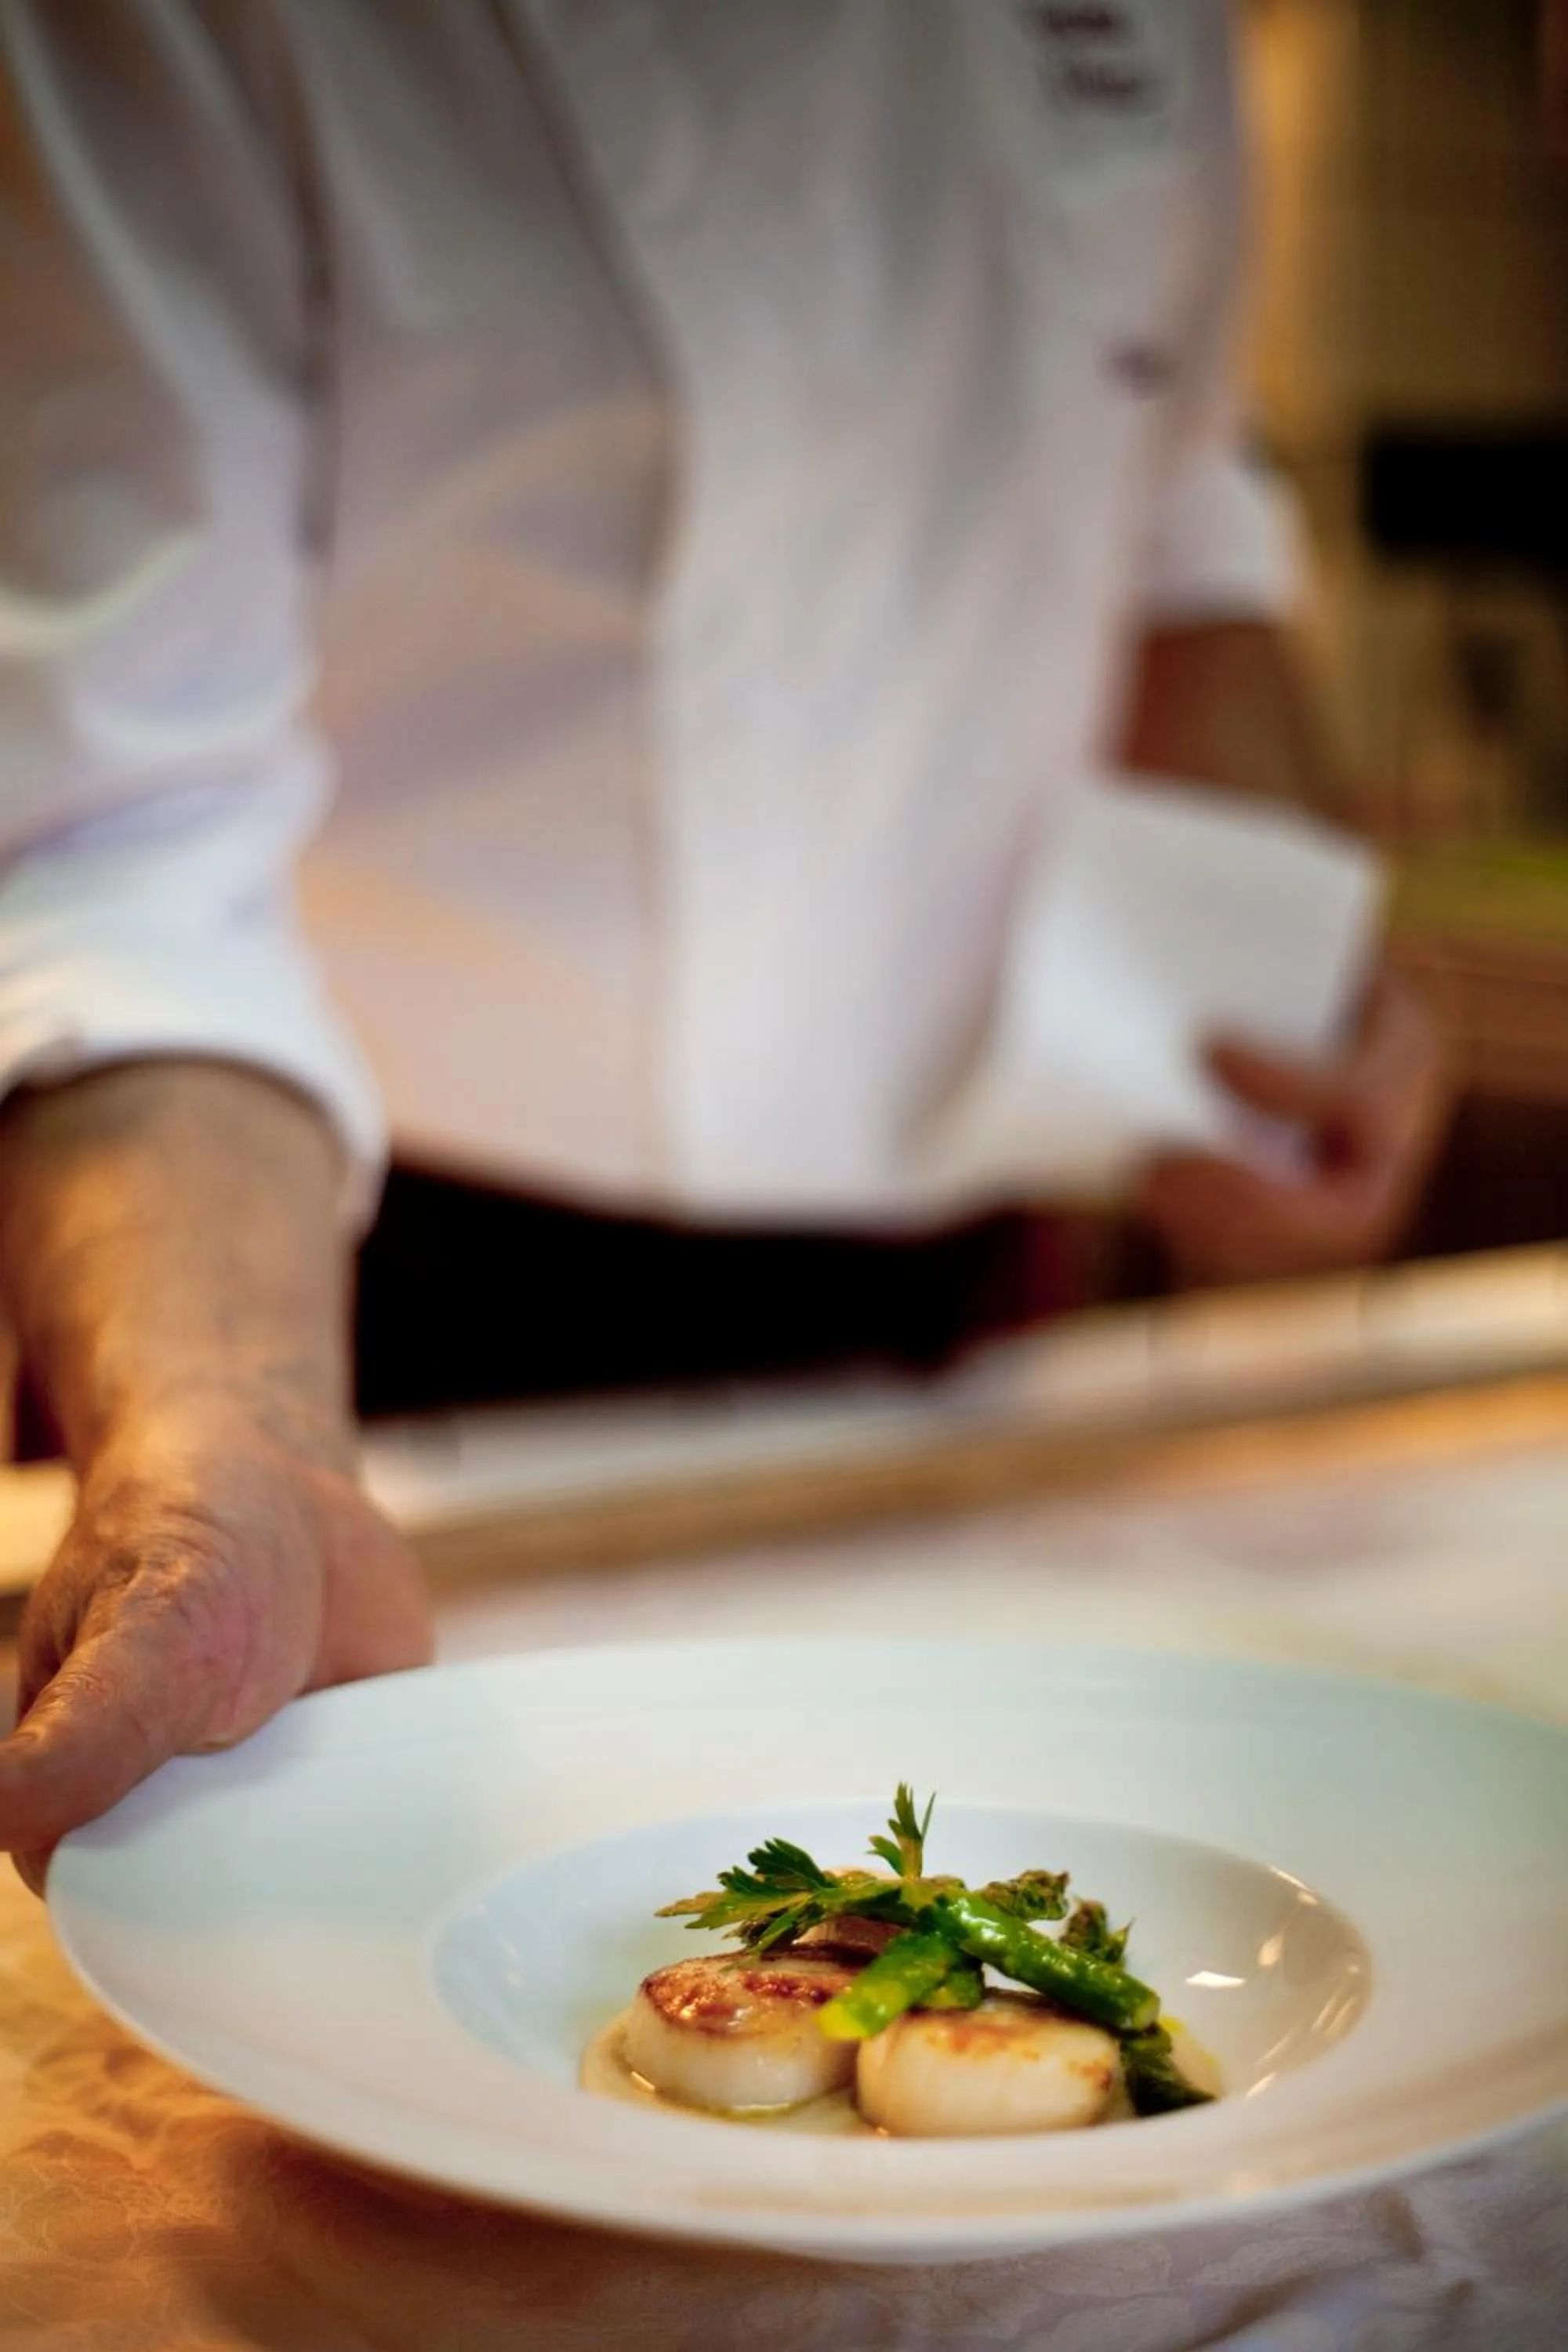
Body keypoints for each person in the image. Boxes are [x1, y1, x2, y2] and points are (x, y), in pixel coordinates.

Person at [0, 2, 1446, 1885]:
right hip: (354, 1337)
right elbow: (114, 823)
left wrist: (1265, 977)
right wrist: (230, 1439)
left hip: (976, 1335)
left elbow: (1173, 504)